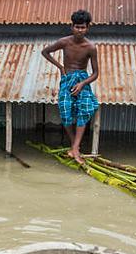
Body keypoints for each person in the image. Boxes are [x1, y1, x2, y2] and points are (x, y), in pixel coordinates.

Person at [41, 9, 99, 165]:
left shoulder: (90, 47)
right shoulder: (64, 42)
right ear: (72, 27)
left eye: (83, 27)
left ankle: (75, 147)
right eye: (77, 27)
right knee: (65, 110)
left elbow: (95, 73)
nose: (80, 30)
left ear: (88, 28)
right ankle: (75, 147)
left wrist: (82, 84)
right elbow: (45, 52)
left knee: (85, 107)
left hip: (82, 79)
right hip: (67, 80)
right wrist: (60, 66)